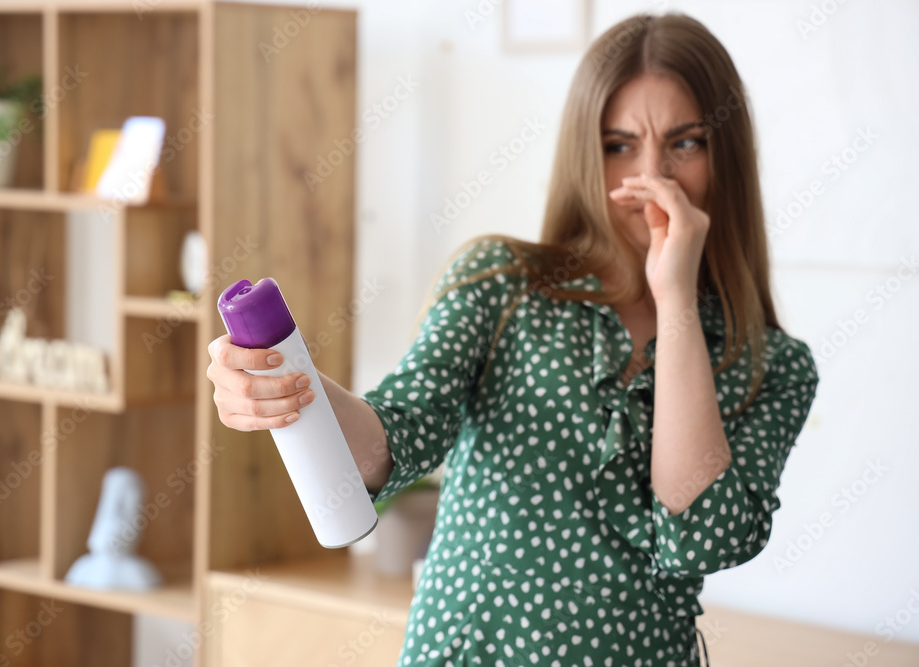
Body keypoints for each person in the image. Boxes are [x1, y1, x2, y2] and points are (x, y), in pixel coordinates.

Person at [205, 10, 820, 667]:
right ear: (584, 154)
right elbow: (396, 435)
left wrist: (675, 298)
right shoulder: (502, 285)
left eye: (685, 143)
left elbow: (699, 538)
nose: (651, 180)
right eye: (618, 145)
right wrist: (287, 387)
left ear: (727, 153)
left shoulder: (772, 365)